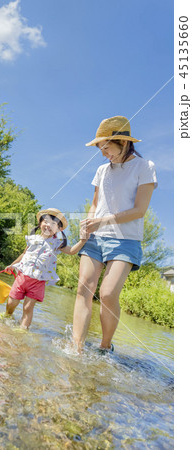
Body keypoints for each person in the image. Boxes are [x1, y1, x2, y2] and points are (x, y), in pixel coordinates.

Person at [73, 116, 158, 353]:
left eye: (106, 147)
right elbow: (95, 204)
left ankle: (104, 346)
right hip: (95, 238)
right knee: (83, 290)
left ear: (122, 142)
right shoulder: (101, 170)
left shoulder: (145, 167)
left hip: (126, 239)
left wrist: (103, 221)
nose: (103, 153)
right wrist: (89, 222)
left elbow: (139, 210)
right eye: (100, 149)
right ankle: (76, 349)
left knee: (108, 293)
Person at [4, 208, 88, 329]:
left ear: (59, 229)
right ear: (40, 223)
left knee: (28, 308)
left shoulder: (57, 243)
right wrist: (12, 265)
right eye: (46, 221)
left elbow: (71, 251)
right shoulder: (32, 239)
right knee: (11, 303)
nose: (49, 225)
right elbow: (23, 255)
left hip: (38, 281)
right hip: (22, 277)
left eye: (54, 224)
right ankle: (7, 316)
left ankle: (23, 329)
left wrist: (82, 241)